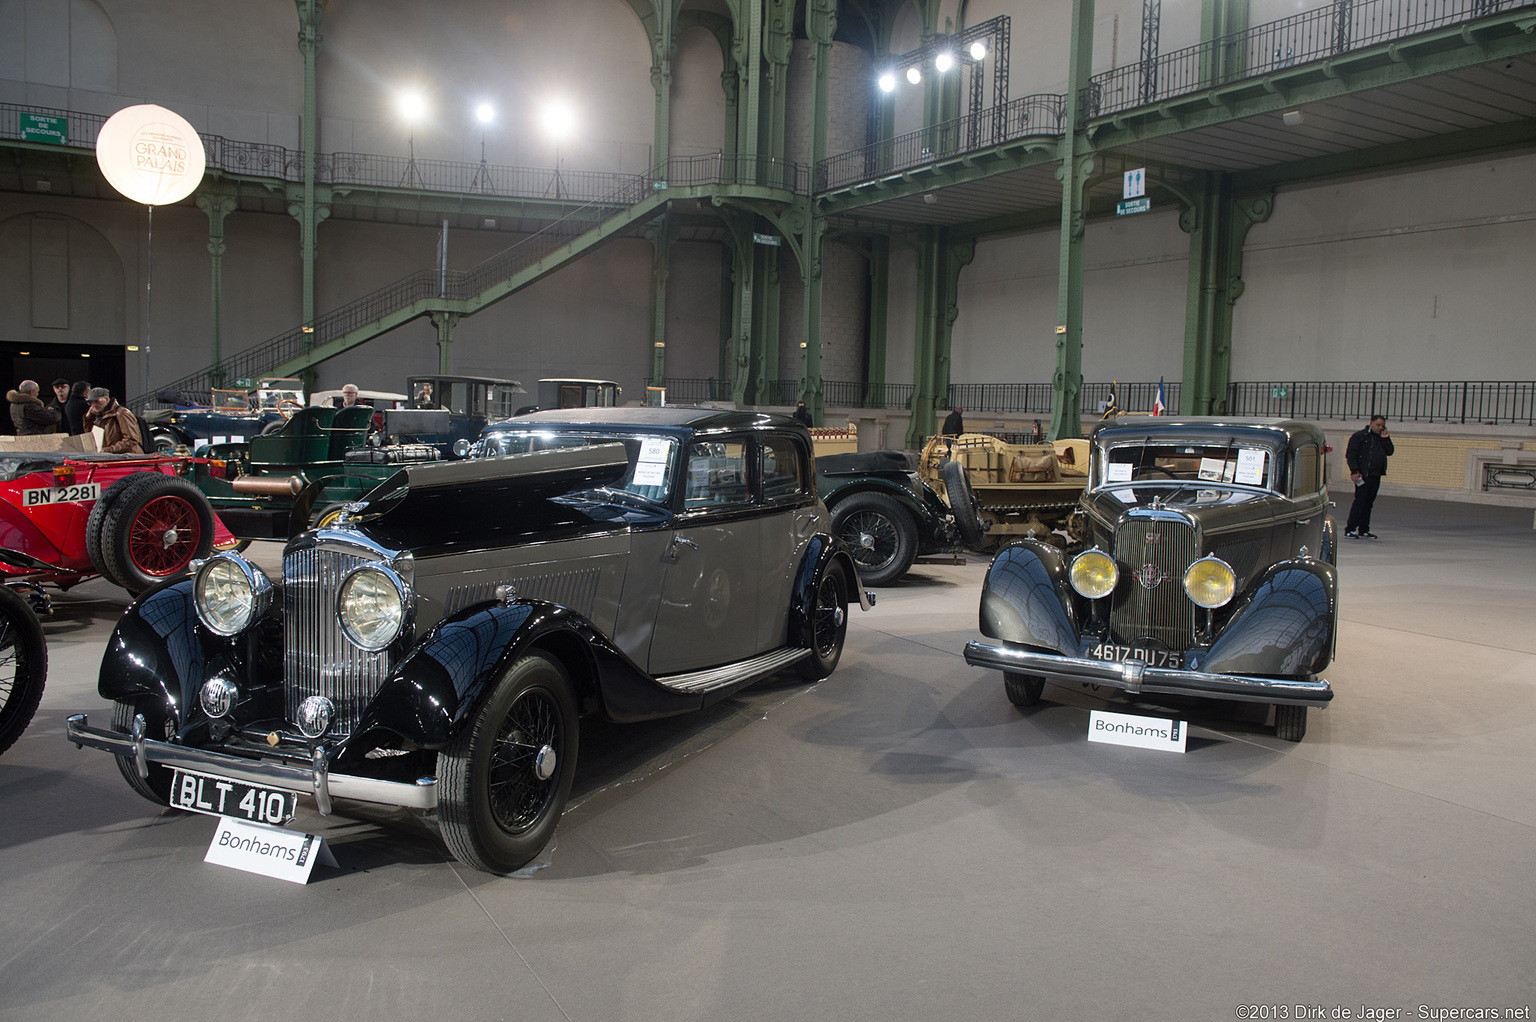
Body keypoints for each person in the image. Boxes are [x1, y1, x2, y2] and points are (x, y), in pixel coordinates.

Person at [1344, 415, 1393, 539]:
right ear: (1371, 423)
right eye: (1378, 425)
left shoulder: (1381, 438)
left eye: (1383, 425)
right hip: (1363, 474)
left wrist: (1386, 439)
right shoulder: (1360, 436)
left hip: (1376, 475)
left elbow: (1390, 451)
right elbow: (1351, 454)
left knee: (1369, 503)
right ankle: (1350, 528)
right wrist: (1354, 471)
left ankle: (1364, 529)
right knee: (1360, 501)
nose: (1380, 428)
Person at [82, 387, 143, 454]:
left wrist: (107, 450)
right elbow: (90, 437)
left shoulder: (121, 413)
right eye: (91, 403)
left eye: (97, 401)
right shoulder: (100, 415)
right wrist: (88, 417)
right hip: (113, 457)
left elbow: (131, 440)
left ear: (106, 399)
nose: (94, 405)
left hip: (127, 457)